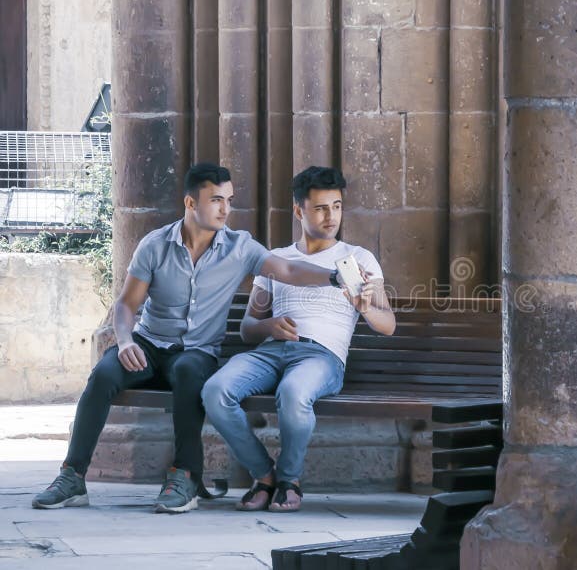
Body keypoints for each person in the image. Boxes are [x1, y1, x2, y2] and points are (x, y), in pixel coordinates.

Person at [32, 163, 349, 514]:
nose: (226, 209)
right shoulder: (155, 245)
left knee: (188, 373)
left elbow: (288, 269)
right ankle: (72, 477)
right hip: (148, 345)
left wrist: (334, 277)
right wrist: (125, 341)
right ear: (190, 203)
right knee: (103, 375)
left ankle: (184, 477)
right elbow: (126, 304)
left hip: (197, 352)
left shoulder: (240, 247)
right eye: (216, 200)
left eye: (229, 200)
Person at [202, 166, 396, 512]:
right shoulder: (278, 260)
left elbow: (388, 324)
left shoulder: (357, 259)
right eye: (321, 208)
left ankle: (290, 480)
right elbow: (249, 327)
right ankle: (264, 475)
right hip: (271, 352)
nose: (331, 216)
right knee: (215, 390)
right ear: (298, 210)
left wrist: (365, 307)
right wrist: (270, 326)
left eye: (336, 206)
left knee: (293, 393)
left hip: (320, 358)